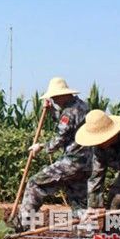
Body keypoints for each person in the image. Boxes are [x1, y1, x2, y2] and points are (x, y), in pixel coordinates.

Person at [15, 77, 91, 231]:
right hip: (87, 163)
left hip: (73, 161)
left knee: (35, 183)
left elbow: (60, 138)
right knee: (79, 201)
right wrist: (51, 111)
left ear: (64, 95)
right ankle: (85, 235)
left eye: (55, 97)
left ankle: (22, 224)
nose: (54, 100)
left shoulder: (69, 112)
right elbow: (70, 125)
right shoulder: (83, 106)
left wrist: (41, 146)